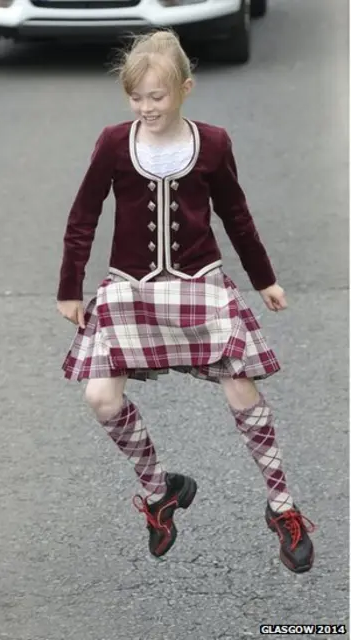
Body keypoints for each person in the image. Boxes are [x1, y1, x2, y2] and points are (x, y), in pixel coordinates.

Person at [56, 30, 315, 574]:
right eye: (137, 97)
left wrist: (264, 279)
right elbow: (83, 216)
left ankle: (283, 506)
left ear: (185, 89)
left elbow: (236, 214)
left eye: (158, 96)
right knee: (100, 398)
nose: (147, 107)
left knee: (240, 386)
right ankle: (160, 491)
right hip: (130, 286)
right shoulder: (112, 143)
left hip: (201, 282)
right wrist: (69, 286)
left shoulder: (214, 143)